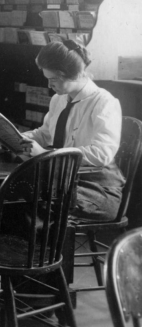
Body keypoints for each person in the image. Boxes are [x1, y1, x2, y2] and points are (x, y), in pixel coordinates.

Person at [20, 40, 123, 221]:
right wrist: (17, 137)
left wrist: (46, 154)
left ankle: (41, 249)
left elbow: (102, 154)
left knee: (34, 200)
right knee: (17, 194)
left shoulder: (104, 102)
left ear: (72, 75)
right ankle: (20, 249)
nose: (49, 86)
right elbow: (45, 133)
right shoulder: (58, 100)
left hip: (97, 188)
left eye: (53, 80)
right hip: (63, 180)